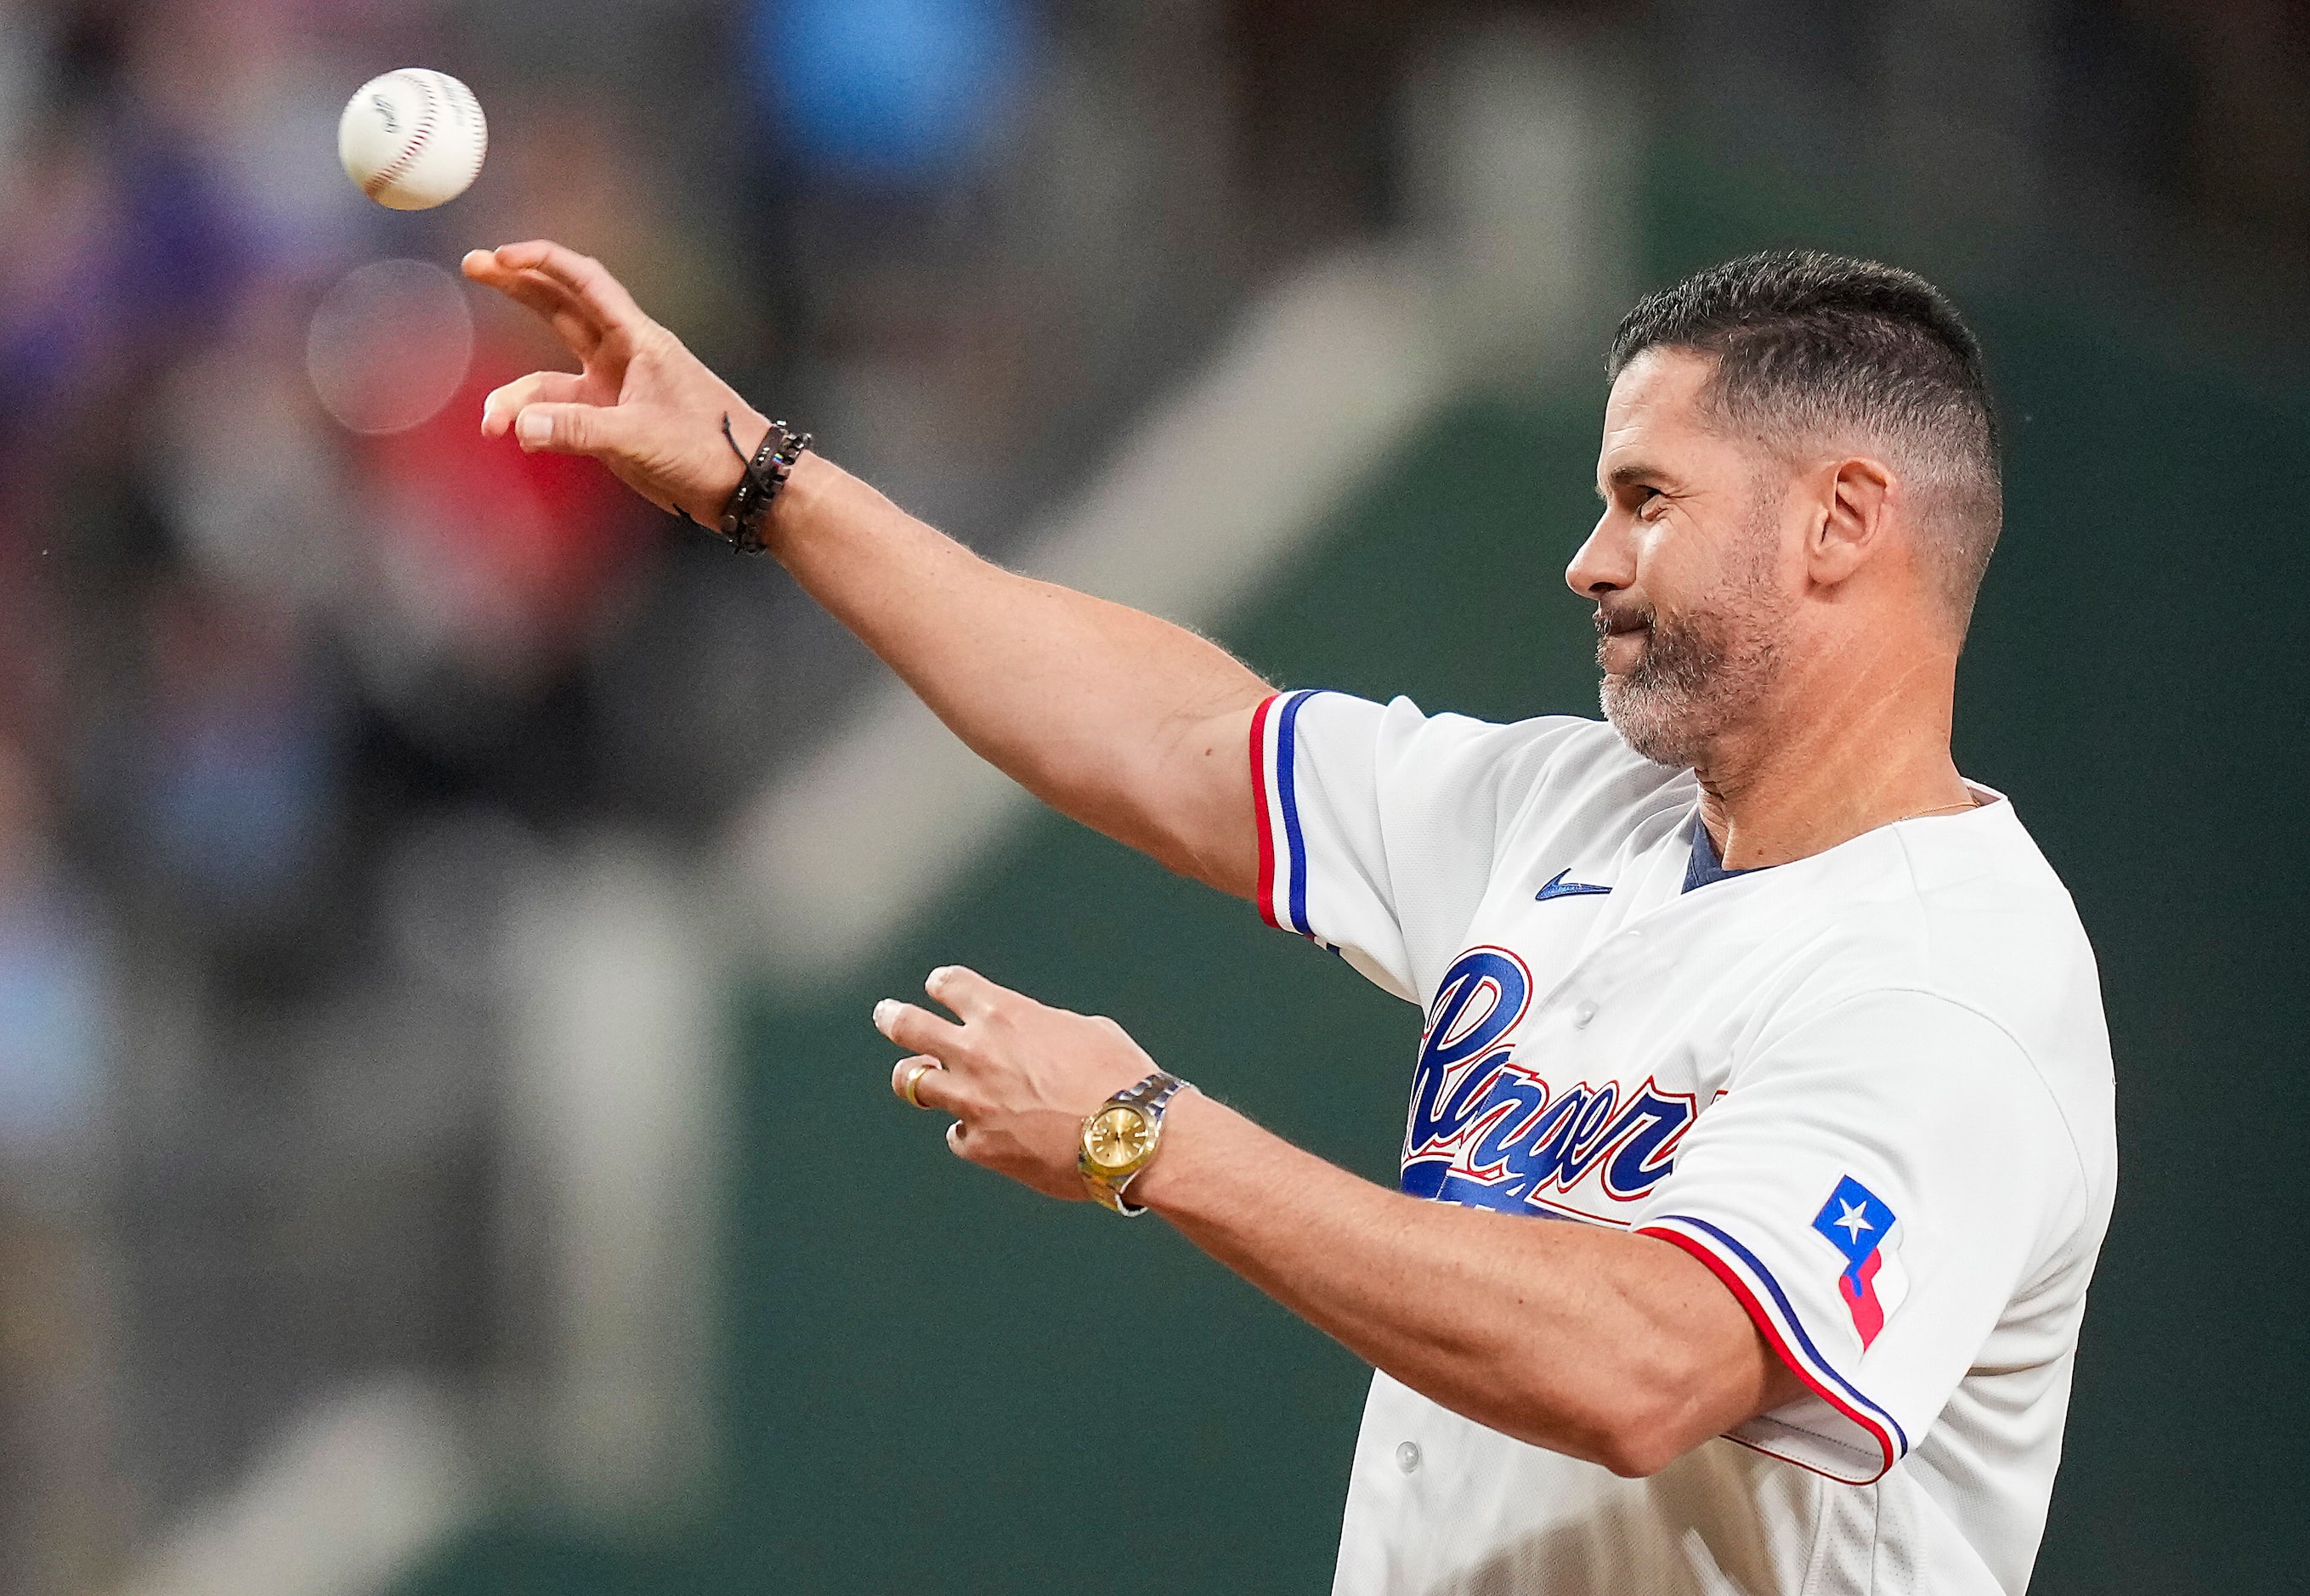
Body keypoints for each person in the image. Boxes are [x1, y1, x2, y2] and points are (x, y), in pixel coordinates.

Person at [462, 241, 2115, 1595]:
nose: (1587, 556)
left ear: (1837, 522)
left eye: (1647, 497)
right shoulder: (1577, 813)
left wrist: (1145, 1136)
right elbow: (1174, 741)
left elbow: (1646, 1371)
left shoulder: (1950, 986)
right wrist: (767, 482)